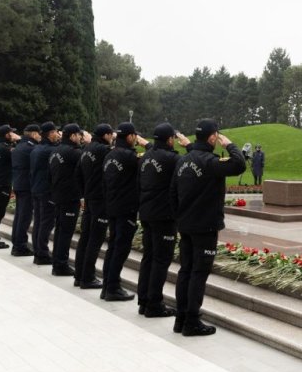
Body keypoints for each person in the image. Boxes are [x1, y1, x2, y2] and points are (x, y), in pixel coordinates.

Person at [170, 119, 247, 336]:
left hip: (185, 225)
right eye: (217, 135)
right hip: (205, 227)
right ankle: (192, 321)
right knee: (198, 273)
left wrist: (179, 218)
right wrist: (231, 145)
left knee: (185, 270)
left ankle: (181, 318)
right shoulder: (210, 162)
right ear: (213, 137)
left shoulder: (183, 161)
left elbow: (172, 193)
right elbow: (239, 165)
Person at [137, 122, 190, 318]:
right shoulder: (173, 159)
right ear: (170, 140)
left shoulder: (145, 158)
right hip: (164, 216)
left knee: (149, 257)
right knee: (161, 260)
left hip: (146, 213)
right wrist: (188, 145)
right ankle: (154, 304)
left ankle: (143, 300)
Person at [100, 122, 148, 302]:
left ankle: (107, 286)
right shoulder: (129, 156)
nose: (136, 139)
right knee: (120, 249)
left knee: (113, 247)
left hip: (111, 206)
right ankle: (112, 287)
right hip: (125, 208)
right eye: (135, 136)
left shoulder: (109, 155)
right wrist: (147, 144)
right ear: (129, 137)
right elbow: (153, 156)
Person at [74, 123, 115, 290]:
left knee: (85, 237)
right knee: (95, 239)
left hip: (90, 197)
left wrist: (84, 193)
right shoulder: (104, 150)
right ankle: (88, 277)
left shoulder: (86, 149)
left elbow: (77, 174)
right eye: (111, 135)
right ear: (105, 135)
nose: (112, 138)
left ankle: (79, 275)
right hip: (100, 199)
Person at [49, 124, 86, 277]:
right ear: (72, 136)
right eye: (79, 135)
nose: (81, 138)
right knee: (65, 232)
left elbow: (49, 174)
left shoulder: (55, 150)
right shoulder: (74, 152)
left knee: (59, 230)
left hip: (58, 195)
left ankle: (57, 262)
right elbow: (88, 164)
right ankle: (61, 264)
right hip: (69, 197)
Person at [30, 122, 59, 265]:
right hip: (46, 190)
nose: (58, 134)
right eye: (55, 132)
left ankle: (38, 251)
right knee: (46, 222)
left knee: (39, 221)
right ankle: (42, 253)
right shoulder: (49, 150)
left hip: (36, 188)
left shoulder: (36, 148)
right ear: (50, 134)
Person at [10, 124, 39, 257]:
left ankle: (16, 243)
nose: (40, 136)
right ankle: (20, 246)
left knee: (19, 215)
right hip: (27, 185)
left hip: (19, 184)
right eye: (38, 133)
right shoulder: (31, 148)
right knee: (24, 217)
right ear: (33, 134)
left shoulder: (19, 146)